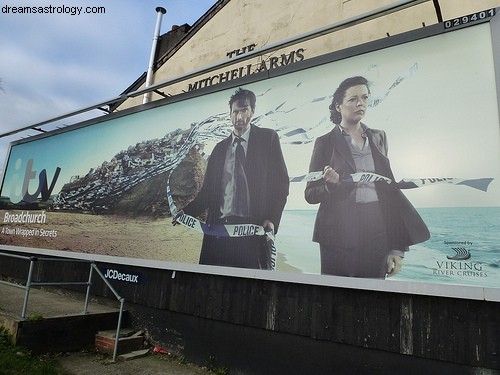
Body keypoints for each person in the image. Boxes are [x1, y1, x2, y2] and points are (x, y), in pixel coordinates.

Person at [304, 76, 429, 278]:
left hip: (376, 228)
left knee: (374, 295)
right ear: (338, 106)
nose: (360, 103)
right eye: (353, 99)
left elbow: (389, 193)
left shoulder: (379, 137)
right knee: (337, 297)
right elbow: (310, 194)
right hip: (337, 232)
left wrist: (397, 248)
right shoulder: (324, 142)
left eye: (364, 98)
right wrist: (331, 186)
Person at [174, 88, 289, 269]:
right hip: (218, 232)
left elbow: (281, 184)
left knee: (249, 286)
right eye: (235, 111)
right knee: (214, 284)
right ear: (230, 114)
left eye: (244, 110)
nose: (239, 116)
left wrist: (272, 218)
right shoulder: (219, 149)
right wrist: (187, 213)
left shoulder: (269, 139)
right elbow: (207, 193)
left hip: (252, 231)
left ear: (252, 111)